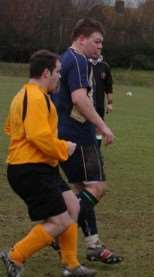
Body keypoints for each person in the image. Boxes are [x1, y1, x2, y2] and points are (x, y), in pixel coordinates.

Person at [0, 50, 96, 277]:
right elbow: (38, 137)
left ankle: (71, 265)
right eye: (58, 72)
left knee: (73, 205)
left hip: (41, 166)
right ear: (46, 73)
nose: (60, 77)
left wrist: (53, 148)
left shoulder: (30, 94)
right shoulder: (34, 97)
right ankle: (15, 256)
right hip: (30, 170)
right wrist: (63, 147)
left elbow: (11, 129)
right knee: (61, 220)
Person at [52, 18, 123, 265]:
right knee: (97, 188)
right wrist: (102, 126)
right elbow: (80, 98)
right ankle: (58, 229)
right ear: (81, 38)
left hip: (64, 134)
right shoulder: (80, 59)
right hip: (80, 137)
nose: (100, 47)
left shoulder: (65, 59)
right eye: (97, 41)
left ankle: (93, 246)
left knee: (79, 191)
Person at [89, 55, 113, 149]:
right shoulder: (85, 64)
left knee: (98, 128)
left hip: (99, 103)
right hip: (86, 103)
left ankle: (97, 150)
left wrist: (110, 103)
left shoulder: (105, 66)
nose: (98, 49)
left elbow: (109, 87)